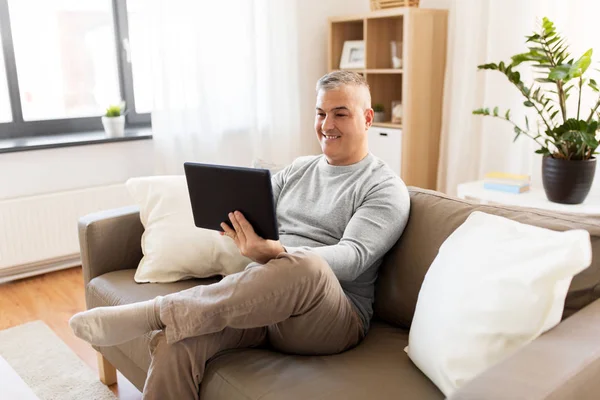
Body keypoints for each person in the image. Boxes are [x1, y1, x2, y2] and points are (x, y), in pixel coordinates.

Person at [69, 70, 410, 399]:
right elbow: (253, 205)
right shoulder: (299, 169)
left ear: (367, 118)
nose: (327, 125)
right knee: (176, 340)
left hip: (330, 318)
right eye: (320, 113)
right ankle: (167, 321)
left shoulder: (384, 187)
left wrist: (277, 253)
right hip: (266, 302)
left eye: (340, 114)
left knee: (306, 266)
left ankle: (154, 311)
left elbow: (352, 259)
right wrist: (233, 220)